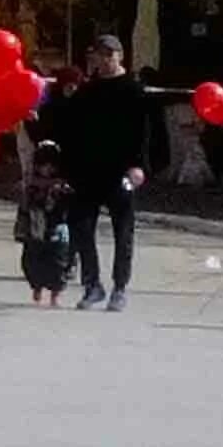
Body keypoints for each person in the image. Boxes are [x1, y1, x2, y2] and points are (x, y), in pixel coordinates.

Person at [49, 35, 148, 312]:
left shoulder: (133, 89)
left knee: (123, 230)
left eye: (109, 54)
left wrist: (138, 165)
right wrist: (64, 170)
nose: (103, 60)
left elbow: (143, 132)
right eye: (99, 55)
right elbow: (70, 131)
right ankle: (92, 285)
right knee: (82, 228)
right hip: (86, 171)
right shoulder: (86, 91)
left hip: (120, 171)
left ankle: (120, 286)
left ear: (120, 56)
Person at [17, 140, 73, 306]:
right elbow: (25, 207)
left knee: (58, 262)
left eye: (51, 166)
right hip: (36, 229)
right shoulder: (31, 184)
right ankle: (37, 287)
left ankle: (55, 294)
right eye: (43, 166)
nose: (47, 170)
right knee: (33, 260)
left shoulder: (63, 186)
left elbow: (69, 206)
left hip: (58, 229)